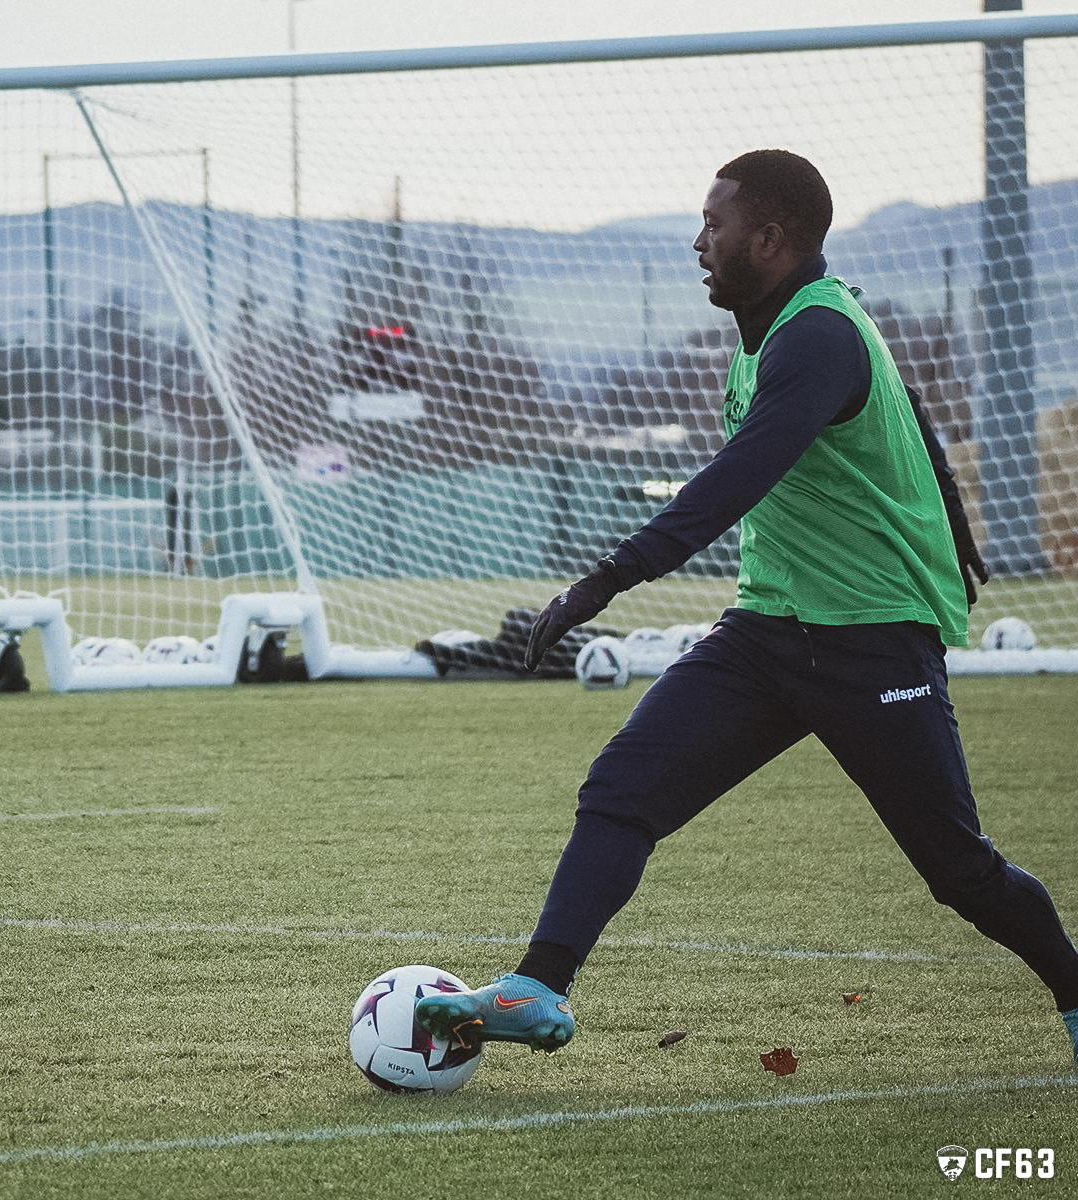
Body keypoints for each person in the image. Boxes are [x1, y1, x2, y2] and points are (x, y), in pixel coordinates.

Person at [415, 150, 1078, 1065]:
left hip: (871, 643)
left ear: (769, 240)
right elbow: (912, 411)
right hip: (767, 635)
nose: (699, 242)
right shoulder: (779, 331)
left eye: (715, 226)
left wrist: (601, 582)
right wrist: (961, 536)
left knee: (961, 873)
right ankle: (537, 986)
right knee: (621, 791)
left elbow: (736, 479)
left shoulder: (817, 334)